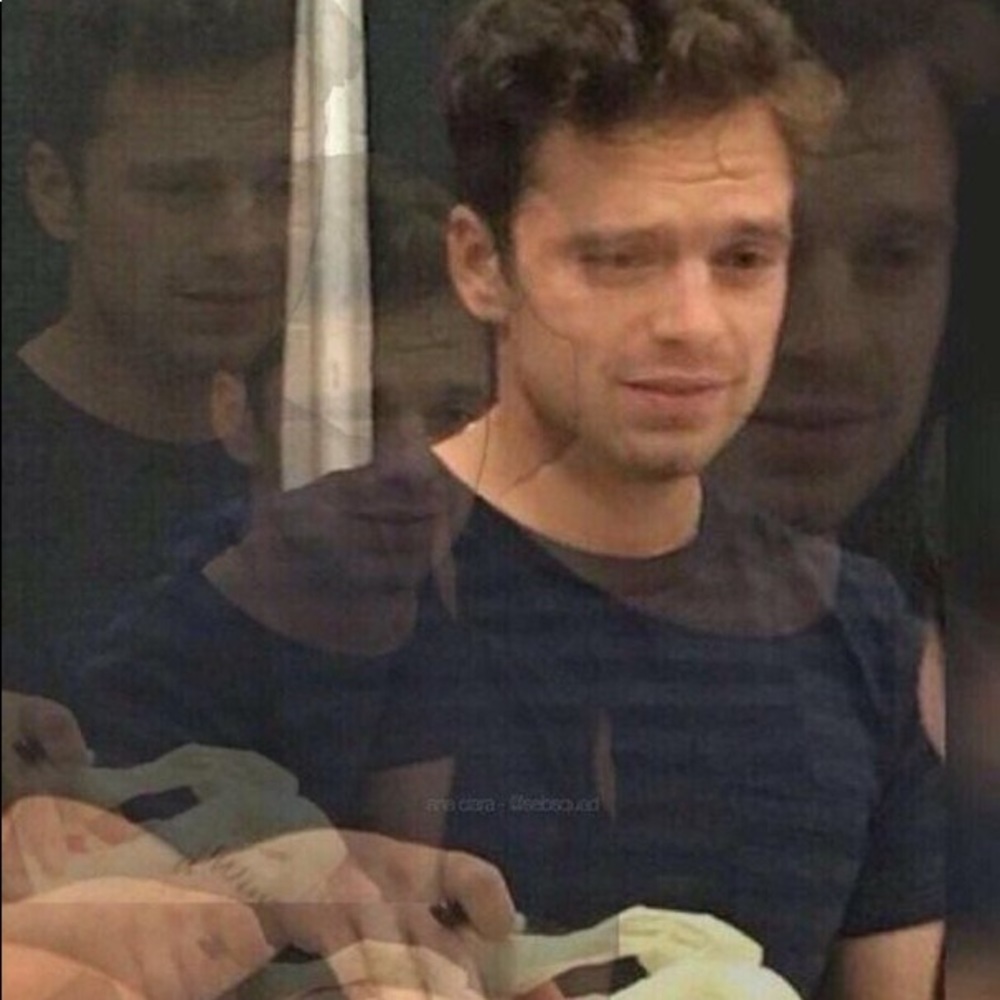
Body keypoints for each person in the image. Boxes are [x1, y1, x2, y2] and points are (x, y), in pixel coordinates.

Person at [75, 1, 943, 996]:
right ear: (480, 264)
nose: (693, 323)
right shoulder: (273, 595)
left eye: (743, 259)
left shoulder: (858, 639)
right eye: (619, 257)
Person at [2, 0, 299, 699]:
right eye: (181, 190)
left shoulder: (362, 467)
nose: (242, 242)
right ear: (55, 191)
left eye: (282, 185)